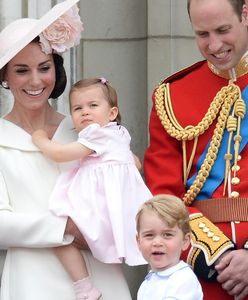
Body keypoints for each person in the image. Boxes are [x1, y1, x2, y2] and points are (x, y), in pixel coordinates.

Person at [0, 1, 134, 299]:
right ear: (5, 77)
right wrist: (67, 228)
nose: (36, 81)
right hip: (33, 281)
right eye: (22, 70)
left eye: (44, 68)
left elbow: (123, 188)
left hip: (102, 277)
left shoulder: (85, 132)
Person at [144, 0, 248, 299]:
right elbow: (162, 196)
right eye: (203, 34)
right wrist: (216, 258)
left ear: (245, 13)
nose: (214, 45)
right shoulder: (172, 96)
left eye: (223, 30)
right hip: (202, 273)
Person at [32, 77, 152, 300]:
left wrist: (39, 139)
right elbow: (135, 162)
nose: (85, 112)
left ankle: (84, 287)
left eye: (93, 105)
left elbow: (59, 154)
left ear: (112, 112)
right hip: (115, 211)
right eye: (77, 108)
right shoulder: (119, 134)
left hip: (98, 208)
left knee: (56, 236)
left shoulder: (97, 135)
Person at [136, 194, 203, 300]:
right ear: (138, 241)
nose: (157, 242)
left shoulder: (183, 280)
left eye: (167, 235)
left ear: (185, 241)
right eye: (149, 235)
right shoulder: (149, 280)